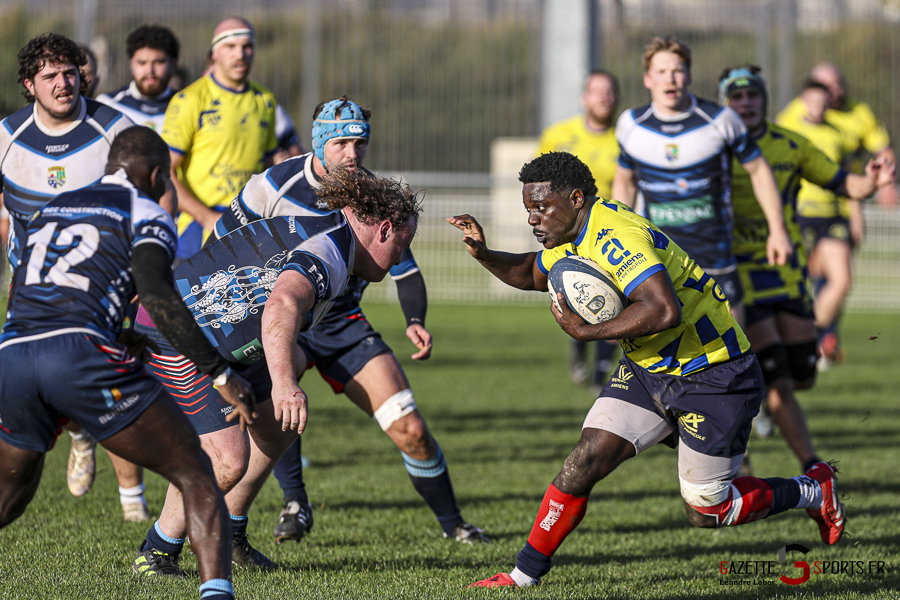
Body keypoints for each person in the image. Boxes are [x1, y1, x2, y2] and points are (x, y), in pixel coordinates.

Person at [449, 151, 846, 589]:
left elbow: (662, 310)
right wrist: (483, 253)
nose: (533, 219)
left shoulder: (615, 236)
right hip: (647, 369)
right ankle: (522, 577)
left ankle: (812, 488)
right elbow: (529, 272)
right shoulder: (571, 234)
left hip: (713, 375)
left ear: (576, 198)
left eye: (540, 207)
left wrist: (586, 332)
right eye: (529, 209)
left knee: (707, 509)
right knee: (583, 461)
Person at [216, 96, 488, 545]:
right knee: (280, 410)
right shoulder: (272, 186)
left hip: (343, 325)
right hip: (285, 320)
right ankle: (294, 503)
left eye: (360, 143)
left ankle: (454, 524)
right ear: (320, 142)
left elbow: (404, 267)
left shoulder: (375, 196)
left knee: (412, 429)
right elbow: (223, 245)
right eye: (342, 142)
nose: (353, 153)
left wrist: (414, 318)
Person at [0, 126, 256, 600]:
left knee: (9, 498)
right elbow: (159, 297)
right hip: (79, 358)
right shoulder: (147, 214)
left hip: (12, 352)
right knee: (199, 473)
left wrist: (118, 333)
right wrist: (220, 374)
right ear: (159, 175)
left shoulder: (53, 207)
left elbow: (32, 287)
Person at [131, 166, 423, 576]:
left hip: (221, 340)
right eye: (402, 248)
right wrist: (285, 382)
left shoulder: (333, 232)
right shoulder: (330, 252)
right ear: (385, 229)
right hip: (173, 332)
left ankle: (230, 536)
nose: (398, 262)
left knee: (277, 426)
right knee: (228, 458)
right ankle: (157, 552)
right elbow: (282, 303)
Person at [0, 32, 145, 519]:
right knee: (22, 395)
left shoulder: (115, 129)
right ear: (29, 85)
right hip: (29, 289)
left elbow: (146, 203)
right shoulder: (7, 137)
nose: (64, 83)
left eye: (70, 72)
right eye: (50, 76)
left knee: (107, 384)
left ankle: (125, 490)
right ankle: (64, 438)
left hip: (99, 288)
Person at [721, 66, 895, 472]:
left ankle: (753, 407)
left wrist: (869, 183)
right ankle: (746, 457)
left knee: (802, 374)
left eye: (753, 96)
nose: (746, 103)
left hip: (786, 274)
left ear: (764, 100)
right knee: (772, 373)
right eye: (736, 96)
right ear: (726, 102)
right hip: (739, 278)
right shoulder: (713, 149)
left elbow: (841, 183)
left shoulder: (790, 145)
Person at [611, 36, 793, 326]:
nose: (670, 79)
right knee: (664, 359)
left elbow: (759, 169)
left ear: (689, 75)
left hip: (714, 258)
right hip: (656, 261)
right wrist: (618, 237)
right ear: (648, 79)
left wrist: (778, 230)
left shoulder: (721, 120)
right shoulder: (631, 125)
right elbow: (625, 182)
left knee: (734, 355)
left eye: (677, 70)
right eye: (661, 71)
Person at [777, 67, 896, 366]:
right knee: (802, 282)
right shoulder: (788, 126)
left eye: (826, 98)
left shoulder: (841, 132)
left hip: (834, 214)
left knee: (841, 280)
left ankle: (812, 335)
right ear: (804, 99)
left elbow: (848, 178)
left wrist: (858, 211)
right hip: (799, 215)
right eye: (815, 99)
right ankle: (807, 342)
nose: (822, 103)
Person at [161, 16, 277, 262]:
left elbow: (268, 168)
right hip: (197, 229)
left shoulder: (265, 99)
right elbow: (165, 171)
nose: (241, 54)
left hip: (248, 227)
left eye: (247, 46)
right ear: (214, 52)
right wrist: (206, 218)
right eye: (230, 46)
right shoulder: (190, 99)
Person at [537, 69, 620, 391]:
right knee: (574, 295)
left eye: (609, 91)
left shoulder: (623, 137)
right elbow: (539, 184)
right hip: (568, 235)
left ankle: (600, 372)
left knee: (614, 297)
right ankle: (578, 346)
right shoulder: (559, 135)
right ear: (585, 98)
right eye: (597, 91)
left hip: (609, 233)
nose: (604, 97)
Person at [97, 24, 179, 132]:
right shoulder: (108, 105)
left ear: (173, 65)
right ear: (131, 64)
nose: (150, 70)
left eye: (158, 62)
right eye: (142, 63)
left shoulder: (188, 107)